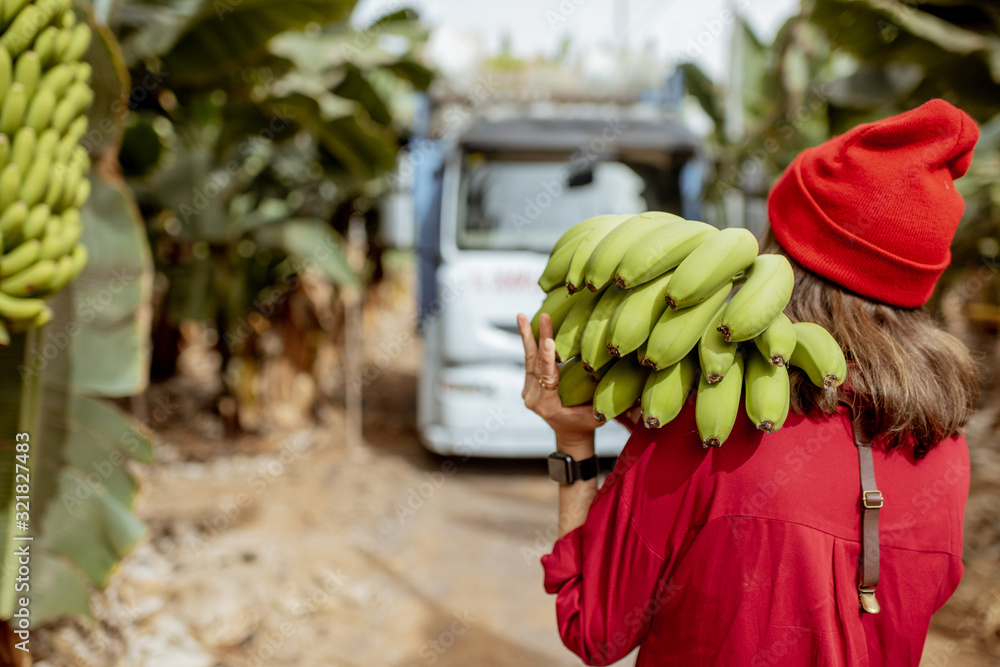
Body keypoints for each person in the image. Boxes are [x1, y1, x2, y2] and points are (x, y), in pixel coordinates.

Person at [515, 98, 981, 666]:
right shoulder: (946, 452)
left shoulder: (708, 428)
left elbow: (595, 627)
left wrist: (573, 447)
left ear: (780, 257)